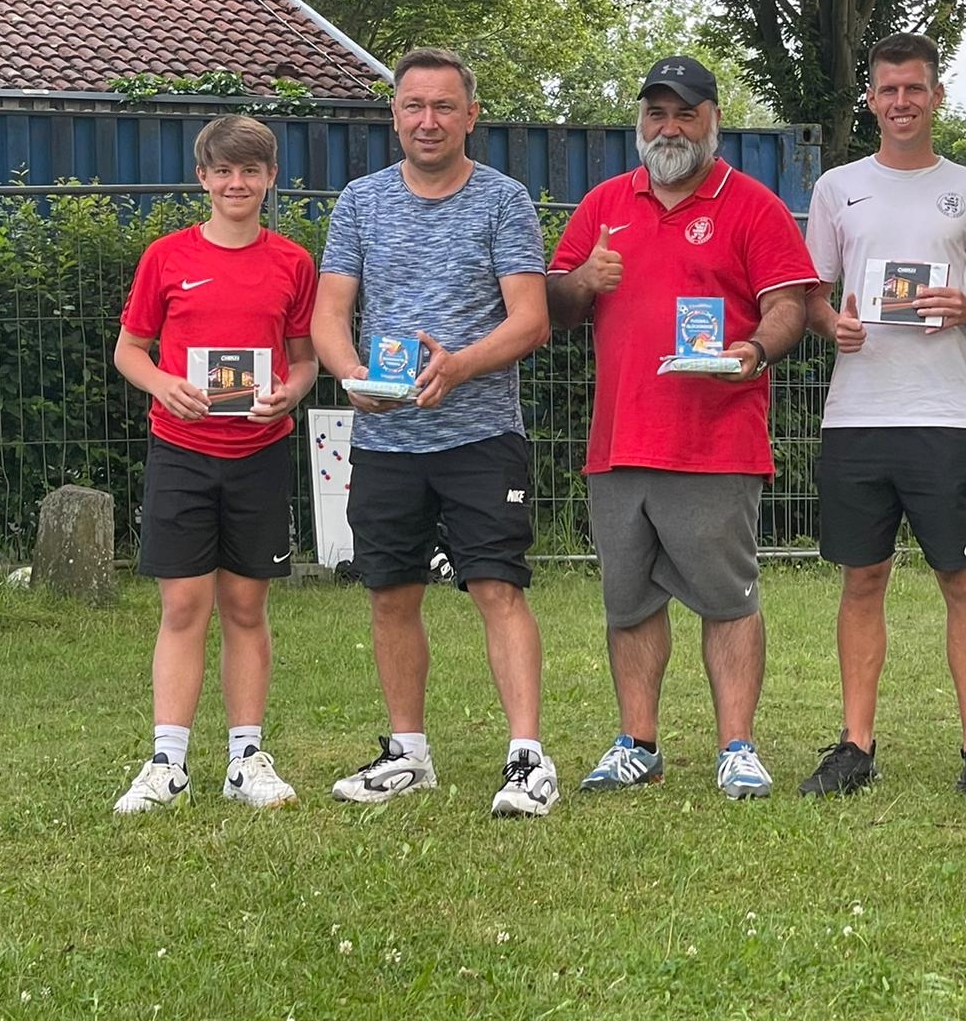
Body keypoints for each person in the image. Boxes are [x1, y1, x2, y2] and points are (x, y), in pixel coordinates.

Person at [547, 54, 817, 799]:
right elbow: (555, 305)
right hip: (619, 441)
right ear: (640, 122)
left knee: (728, 600)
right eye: (656, 114)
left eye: (685, 114)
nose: (669, 128)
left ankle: (738, 747)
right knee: (629, 603)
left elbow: (789, 305)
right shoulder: (604, 204)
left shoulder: (752, 205)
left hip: (715, 441)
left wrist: (753, 351)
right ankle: (638, 743)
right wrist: (580, 282)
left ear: (713, 122)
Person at [312, 48, 558, 817]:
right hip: (386, 440)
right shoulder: (360, 201)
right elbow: (328, 314)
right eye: (414, 105)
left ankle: (527, 760)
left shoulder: (504, 201)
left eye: (444, 106)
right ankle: (407, 754)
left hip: (481, 436)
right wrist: (353, 376)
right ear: (394, 115)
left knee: (497, 587)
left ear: (470, 116)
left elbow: (531, 319)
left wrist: (459, 367)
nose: (428, 120)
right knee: (390, 593)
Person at [798, 32, 966, 798]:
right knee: (863, 578)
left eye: (914, 89)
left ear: (936, 96)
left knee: (961, 578)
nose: (901, 102)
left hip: (943, 412)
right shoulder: (837, 188)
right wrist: (833, 325)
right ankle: (855, 745)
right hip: (857, 412)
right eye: (888, 90)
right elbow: (812, 296)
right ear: (871, 100)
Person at [112, 115, 318, 813]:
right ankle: (167, 763)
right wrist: (163, 384)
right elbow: (130, 350)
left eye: (250, 171)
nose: (237, 183)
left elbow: (304, 359)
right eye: (224, 171)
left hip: (260, 453)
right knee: (182, 606)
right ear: (202, 177)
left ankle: (245, 760)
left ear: (270, 178)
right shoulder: (165, 257)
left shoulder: (293, 263)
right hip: (181, 452)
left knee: (246, 606)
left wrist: (291, 392)